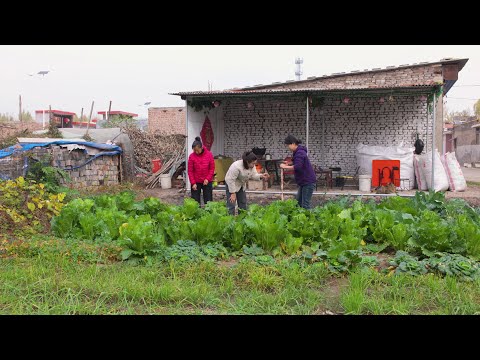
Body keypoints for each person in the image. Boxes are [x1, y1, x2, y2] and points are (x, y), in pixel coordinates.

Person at [224, 151, 269, 215]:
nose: (254, 165)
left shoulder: (251, 166)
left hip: (241, 185)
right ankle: (229, 220)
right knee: (231, 204)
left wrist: (261, 176)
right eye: (253, 163)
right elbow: (230, 180)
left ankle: (242, 219)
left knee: (242, 203)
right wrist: (232, 193)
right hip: (231, 184)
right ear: (247, 162)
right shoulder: (236, 166)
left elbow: (253, 175)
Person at [279, 134, 316, 209]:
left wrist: (285, 167)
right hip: (303, 181)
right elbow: (298, 162)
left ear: (293, 143)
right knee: (298, 203)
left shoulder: (300, 153)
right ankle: (300, 219)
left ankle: (309, 219)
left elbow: (298, 167)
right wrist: (289, 163)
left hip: (307, 181)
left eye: (288, 145)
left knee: (305, 205)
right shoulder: (297, 152)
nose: (288, 147)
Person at [187, 136, 215, 205]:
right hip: (196, 182)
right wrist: (193, 183)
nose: (196, 152)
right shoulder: (191, 156)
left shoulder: (209, 155)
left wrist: (207, 179)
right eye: (194, 150)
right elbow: (190, 171)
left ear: (201, 147)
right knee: (195, 202)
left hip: (207, 181)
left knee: (208, 201)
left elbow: (212, 168)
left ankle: (208, 214)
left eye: (197, 150)